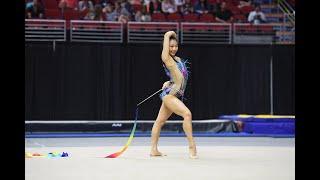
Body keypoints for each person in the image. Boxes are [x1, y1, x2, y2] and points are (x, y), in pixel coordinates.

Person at [150, 31, 198, 159]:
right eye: (171, 46)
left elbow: (179, 77)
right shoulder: (167, 59)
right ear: (166, 47)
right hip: (169, 95)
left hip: (174, 94)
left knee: (159, 122)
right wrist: (167, 35)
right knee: (187, 114)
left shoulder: (178, 60)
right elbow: (165, 53)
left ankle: (153, 150)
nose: (174, 48)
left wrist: (169, 81)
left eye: (175, 46)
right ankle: (192, 146)